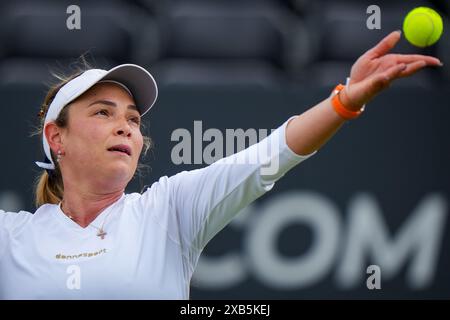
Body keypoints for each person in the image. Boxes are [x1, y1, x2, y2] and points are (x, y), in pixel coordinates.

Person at [0, 31, 442, 299]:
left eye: (133, 119)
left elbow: (269, 156)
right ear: (57, 137)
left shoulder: (168, 210)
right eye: (103, 113)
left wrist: (345, 99)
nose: (125, 128)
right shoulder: (10, 237)